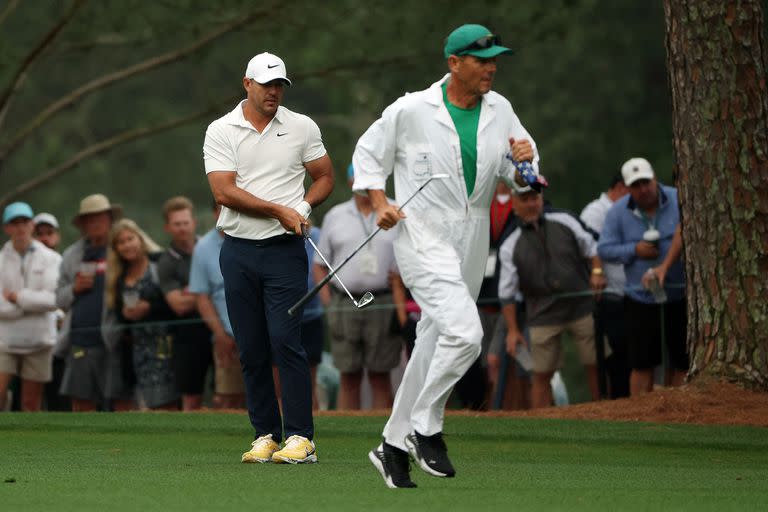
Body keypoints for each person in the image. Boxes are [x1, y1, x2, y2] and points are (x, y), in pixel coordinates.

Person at [352, 24, 539, 488]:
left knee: (436, 341)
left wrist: (524, 163)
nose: (491, 67)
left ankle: (392, 446)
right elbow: (367, 155)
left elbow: (523, 179)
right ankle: (424, 426)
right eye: (481, 60)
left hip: (473, 235)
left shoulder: (502, 109)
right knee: (466, 333)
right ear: (454, 64)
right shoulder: (411, 108)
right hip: (421, 233)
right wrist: (380, 204)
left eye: (495, 58)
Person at [203, 52, 334, 464]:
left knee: (285, 341)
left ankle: (301, 439)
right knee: (251, 347)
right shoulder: (221, 129)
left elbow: (326, 175)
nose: (274, 91)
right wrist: (279, 209)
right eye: (266, 85)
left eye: (279, 85)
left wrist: (305, 208)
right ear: (247, 84)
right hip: (238, 251)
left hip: (284, 253)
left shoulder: (301, 127)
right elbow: (223, 191)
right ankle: (265, 435)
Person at [498, 185, 607, 409]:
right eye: (525, 199)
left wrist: (597, 272)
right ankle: (542, 425)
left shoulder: (565, 219)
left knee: (595, 363)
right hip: (542, 313)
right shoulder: (509, 243)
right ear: (514, 205)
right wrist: (513, 330)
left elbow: (592, 247)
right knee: (541, 374)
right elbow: (506, 293)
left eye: (534, 198)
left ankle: (603, 413)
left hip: (581, 306)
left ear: (541, 199)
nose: (531, 203)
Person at [314, 163, 405, 410]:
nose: (363, 186)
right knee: (348, 376)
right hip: (344, 302)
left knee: (380, 374)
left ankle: (382, 437)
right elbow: (319, 264)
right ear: (350, 182)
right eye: (359, 180)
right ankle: (347, 435)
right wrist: (329, 304)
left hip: (383, 301)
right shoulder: (336, 215)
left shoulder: (397, 211)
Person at [597, 157, 687, 396]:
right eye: (636, 185)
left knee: (682, 360)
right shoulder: (617, 212)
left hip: (680, 294)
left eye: (646, 182)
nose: (643, 189)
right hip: (640, 297)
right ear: (627, 187)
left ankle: (679, 413)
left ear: (655, 179)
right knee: (641, 363)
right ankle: (640, 418)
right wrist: (634, 250)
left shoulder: (678, 199)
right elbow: (604, 249)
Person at [57, 194, 133, 411]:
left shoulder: (122, 248)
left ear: (110, 219)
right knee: (81, 402)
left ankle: (126, 446)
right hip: (80, 340)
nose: (96, 223)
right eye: (89, 219)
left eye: (100, 217)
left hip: (115, 339)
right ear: (82, 225)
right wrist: (74, 288)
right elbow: (58, 299)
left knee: (121, 401)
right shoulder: (72, 254)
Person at [104, 219, 178, 410]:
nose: (127, 245)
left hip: (165, 342)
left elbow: (172, 304)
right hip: (138, 348)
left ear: (140, 239)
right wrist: (126, 314)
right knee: (147, 403)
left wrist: (149, 308)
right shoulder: (118, 277)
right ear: (116, 249)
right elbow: (117, 315)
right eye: (121, 242)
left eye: (130, 239)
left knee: (168, 401)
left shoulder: (158, 263)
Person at [0, 202, 62, 411]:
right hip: (5, 341)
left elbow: (54, 301)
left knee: (30, 403)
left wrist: (18, 298)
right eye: (14, 223)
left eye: (24, 222)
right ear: (6, 228)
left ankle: (28, 443)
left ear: (32, 225)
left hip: (39, 340)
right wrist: (29, 306)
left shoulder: (52, 259)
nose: (20, 227)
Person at [157, 196, 212, 411]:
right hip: (188, 337)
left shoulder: (210, 248)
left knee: (227, 393)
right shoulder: (166, 262)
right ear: (167, 227)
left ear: (194, 223)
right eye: (177, 224)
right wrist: (207, 293)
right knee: (191, 397)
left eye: (185, 222)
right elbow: (178, 305)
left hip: (220, 329)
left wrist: (192, 292)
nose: (182, 228)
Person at [188, 202, 245, 409]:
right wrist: (221, 335)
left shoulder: (252, 239)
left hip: (259, 332)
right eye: (223, 210)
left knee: (265, 391)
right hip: (226, 336)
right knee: (229, 397)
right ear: (214, 213)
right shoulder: (203, 247)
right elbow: (202, 297)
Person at [580, 174, 631, 399]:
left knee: (631, 356)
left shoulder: (630, 208)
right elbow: (591, 249)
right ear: (620, 187)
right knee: (614, 357)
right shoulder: (595, 212)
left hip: (630, 294)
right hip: (608, 296)